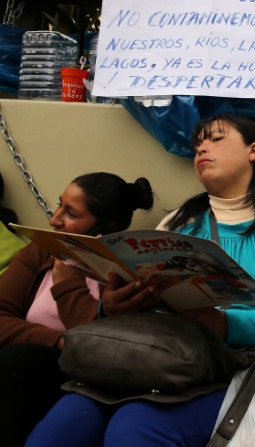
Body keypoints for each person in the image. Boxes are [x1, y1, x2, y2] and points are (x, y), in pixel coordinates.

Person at [26, 113, 255, 446]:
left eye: (216, 139)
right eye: (197, 144)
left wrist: (226, 324)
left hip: (240, 371)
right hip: (157, 360)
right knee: (61, 426)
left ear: (254, 151)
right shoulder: (179, 220)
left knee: (134, 429)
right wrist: (113, 306)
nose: (202, 148)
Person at [0, 172, 154, 447]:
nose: (54, 219)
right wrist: (58, 342)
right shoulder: (41, 251)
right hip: (23, 366)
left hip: (81, 381)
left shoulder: (123, 277)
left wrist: (67, 282)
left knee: (21, 361)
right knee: (20, 358)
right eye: (59, 205)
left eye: (70, 213)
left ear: (104, 227)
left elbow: (97, 346)